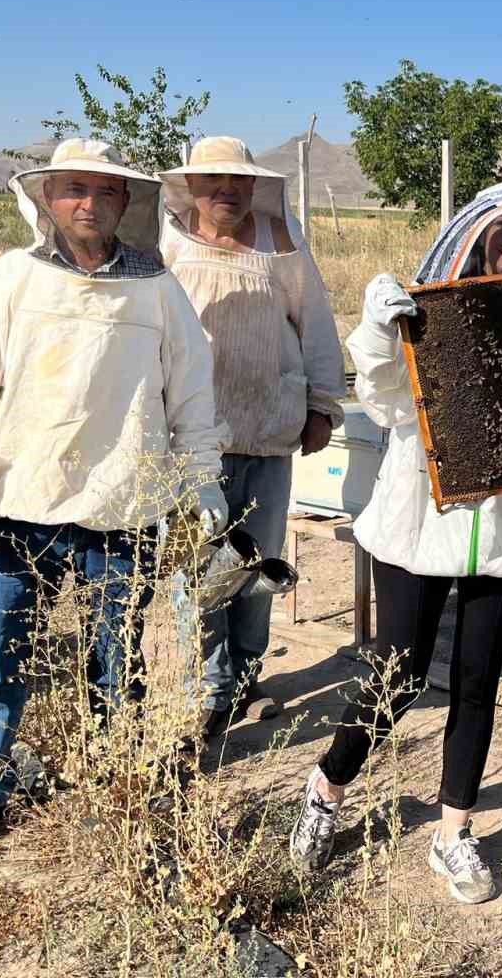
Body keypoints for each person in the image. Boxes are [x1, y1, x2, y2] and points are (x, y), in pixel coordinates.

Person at [288, 181, 502, 904]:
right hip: (421, 521)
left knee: (479, 680)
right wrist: (379, 335)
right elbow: (390, 406)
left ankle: (455, 831)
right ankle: (325, 788)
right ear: (477, 234)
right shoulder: (431, 308)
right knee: (398, 674)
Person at [0, 138, 227, 856]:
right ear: (47, 199)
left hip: (122, 504)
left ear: (126, 203)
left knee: (115, 654)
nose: (87, 204)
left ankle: (112, 775)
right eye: (72, 189)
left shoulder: (157, 290)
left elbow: (189, 388)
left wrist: (201, 474)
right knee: (3, 654)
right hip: (19, 504)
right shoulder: (6, 283)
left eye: (104, 191)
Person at [160, 136, 347, 733]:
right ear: (190, 185)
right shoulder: (164, 242)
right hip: (190, 439)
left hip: (268, 427)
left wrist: (322, 405)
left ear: (252, 186)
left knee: (260, 566)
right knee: (201, 567)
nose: (227, 191)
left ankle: (243, 679)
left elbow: (315, 325)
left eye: (237, 181)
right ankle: (206, 686)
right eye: (214, 181)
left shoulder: (282, 241)